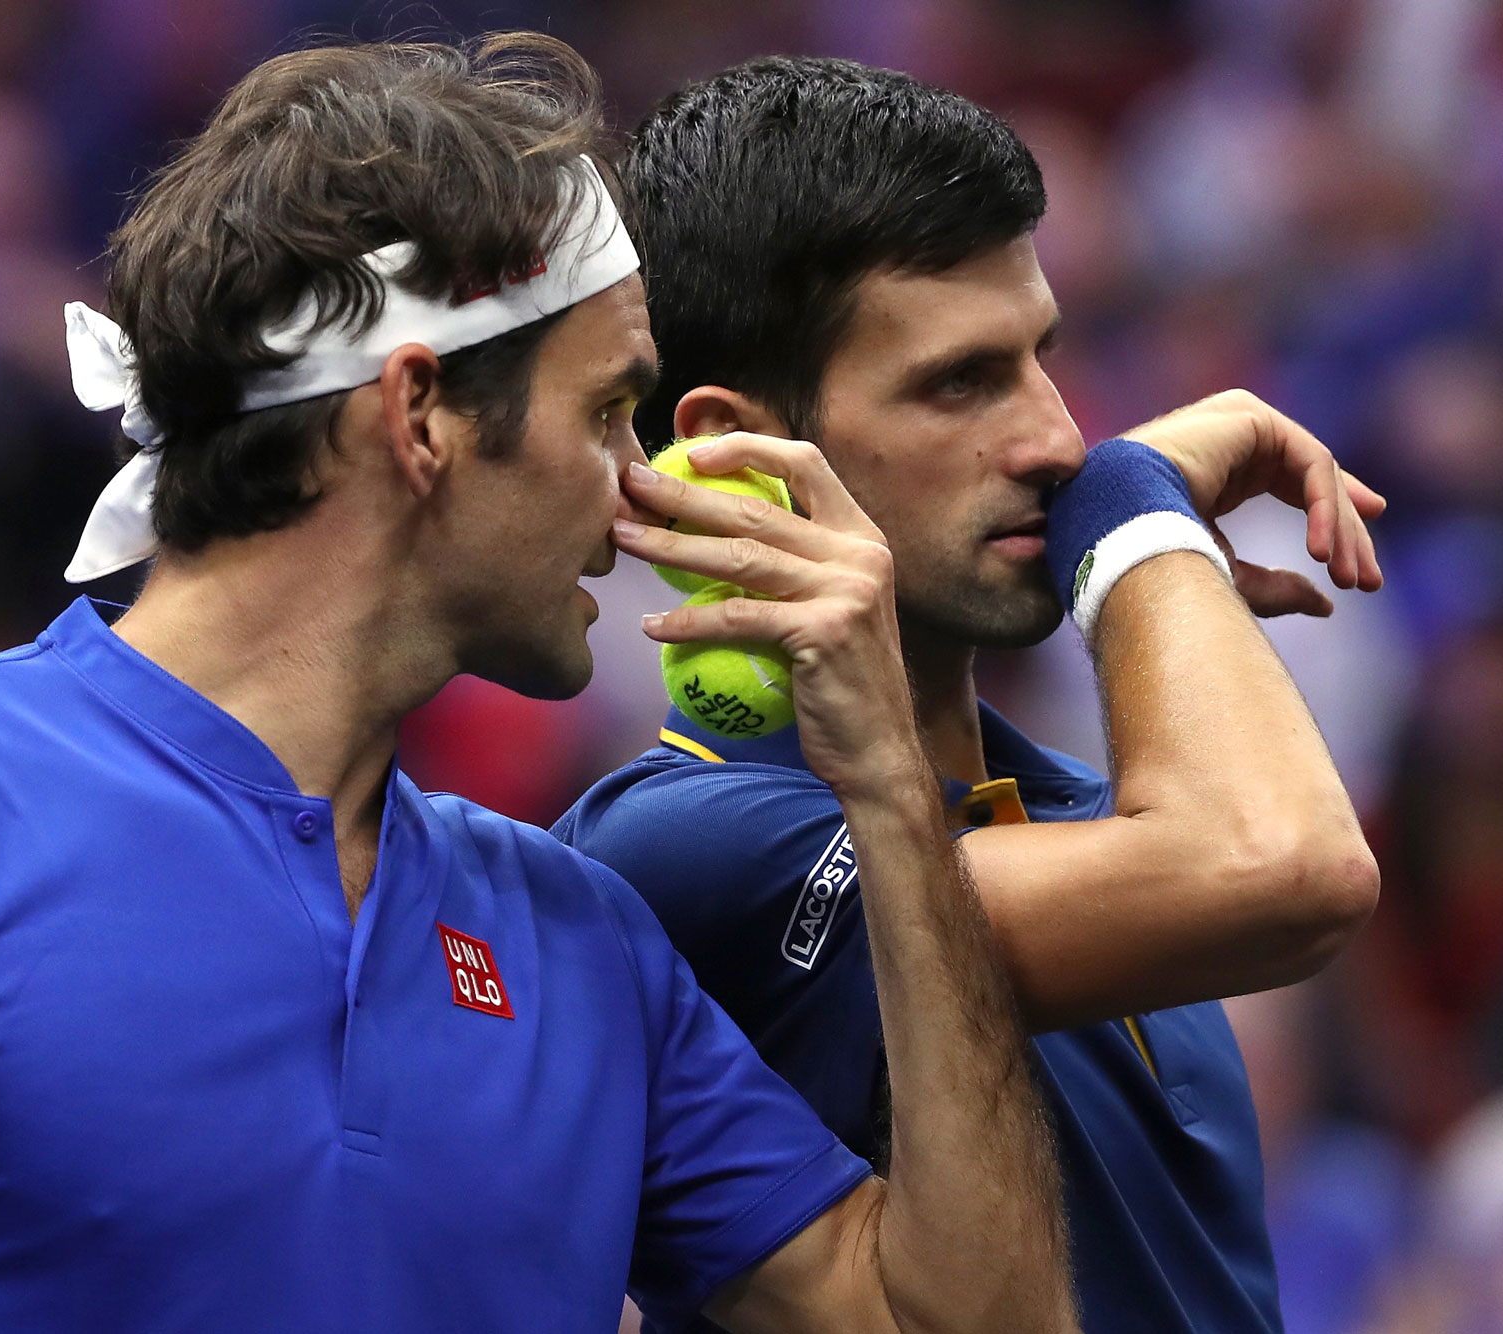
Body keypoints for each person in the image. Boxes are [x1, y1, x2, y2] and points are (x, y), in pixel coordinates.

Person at [0, 37, 1076, 1334]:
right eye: (610, 411)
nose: (645, 495)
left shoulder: (581, 943)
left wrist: (889, 782)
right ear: (420, 413)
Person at [558, 57, 1385, 1334]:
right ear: (732, 454)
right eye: (959, 382)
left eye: (1040, 357)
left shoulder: (1088, 814)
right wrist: (1131, 509)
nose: (1057, 438)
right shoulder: (682, 848)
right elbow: (1284, 866)